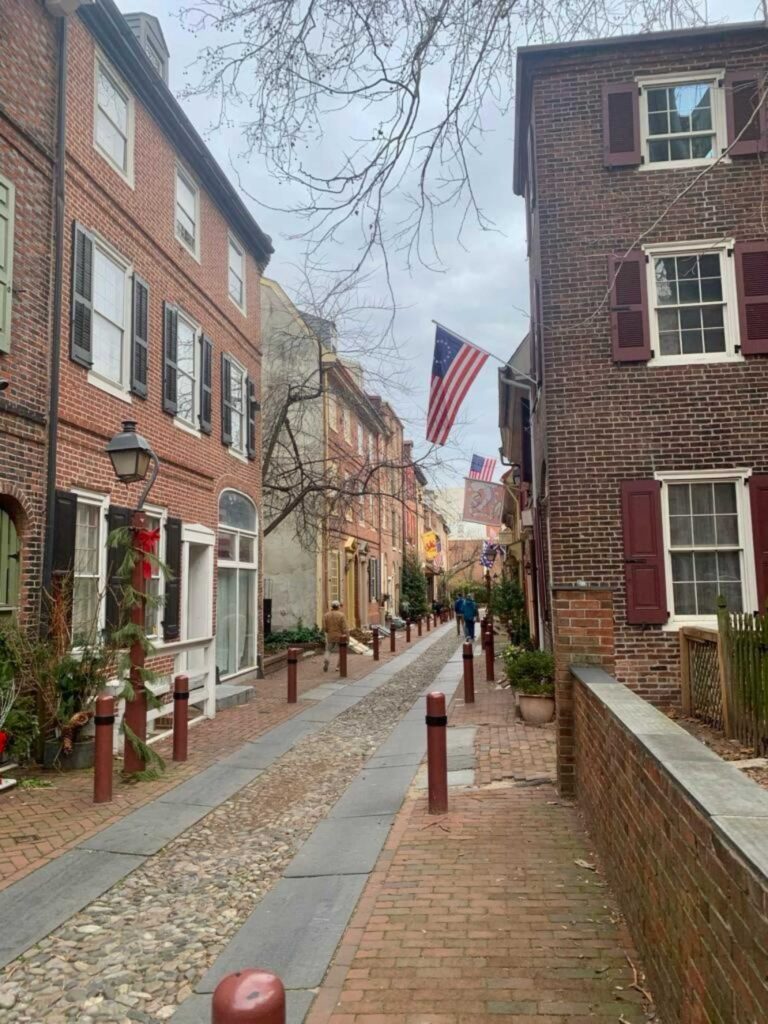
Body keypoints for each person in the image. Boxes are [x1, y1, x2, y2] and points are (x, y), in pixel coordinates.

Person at [323, 600, 348, 672]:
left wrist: (328, 631)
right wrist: (347, 637)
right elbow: (344, 628)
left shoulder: (326, 615)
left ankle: (326, 659)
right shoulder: (341, 615)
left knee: (328, 650)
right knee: (342, 651)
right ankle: (338, 666)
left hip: (330, 635)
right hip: (340, 636)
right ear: (338, 607)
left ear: (332, 606)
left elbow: (324, 627)